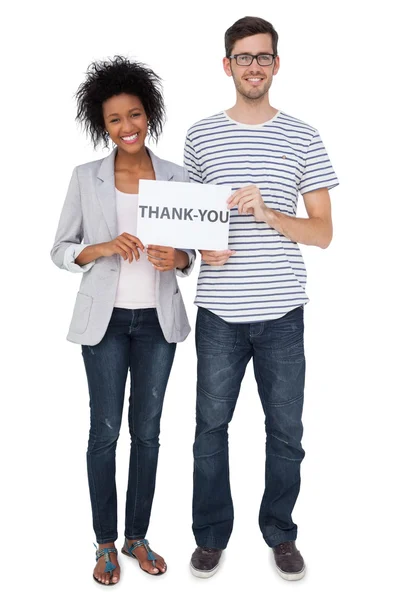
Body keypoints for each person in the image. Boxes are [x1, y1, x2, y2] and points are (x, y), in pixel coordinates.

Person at [184, 16, 338, 580]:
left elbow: (323, 232)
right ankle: (209, 536)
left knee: (286, 433)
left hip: (281, 313)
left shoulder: (303, 136)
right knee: (208, 430)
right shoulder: (200, 135)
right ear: (228, 65)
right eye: (243, 57)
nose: (254, 66)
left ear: (276, 64)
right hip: (219, 311)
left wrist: (270, 214)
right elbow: (189, 225)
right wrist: (205, 250)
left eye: (263, 57)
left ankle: (280, 532)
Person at [51, 56, 195, 585]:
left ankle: (137, 537)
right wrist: (101, 247)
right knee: (105, 431)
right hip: (105, 323)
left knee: (149, 433)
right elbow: (60, 250)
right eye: (115, 119)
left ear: (149, 115)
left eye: (135, 114)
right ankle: (105, 543)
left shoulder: (177, 176)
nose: (127, 127)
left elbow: (192, 253)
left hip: (158, 322)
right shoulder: (85, 178)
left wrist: (177, 258)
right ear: (102, 124)